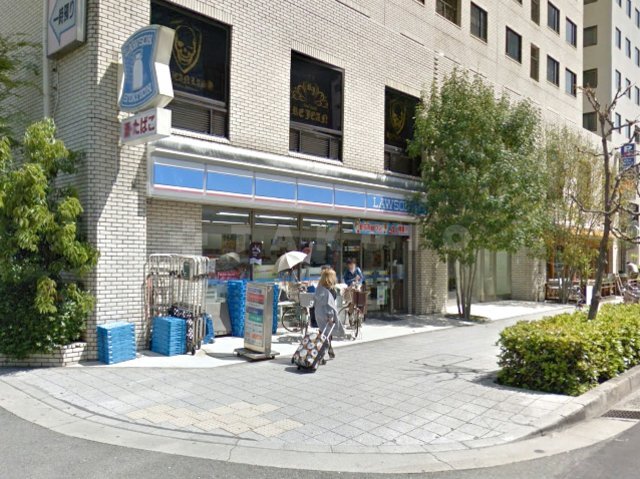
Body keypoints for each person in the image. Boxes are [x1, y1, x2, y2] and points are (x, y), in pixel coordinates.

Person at [313, 268, 345, 358]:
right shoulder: (331, 291)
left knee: (322, 332)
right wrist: (331, 317)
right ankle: (321, 353)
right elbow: (330, 305)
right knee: (327, 333)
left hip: (318, 313)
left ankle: (327, 349)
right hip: (327, 315)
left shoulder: (319, 289)